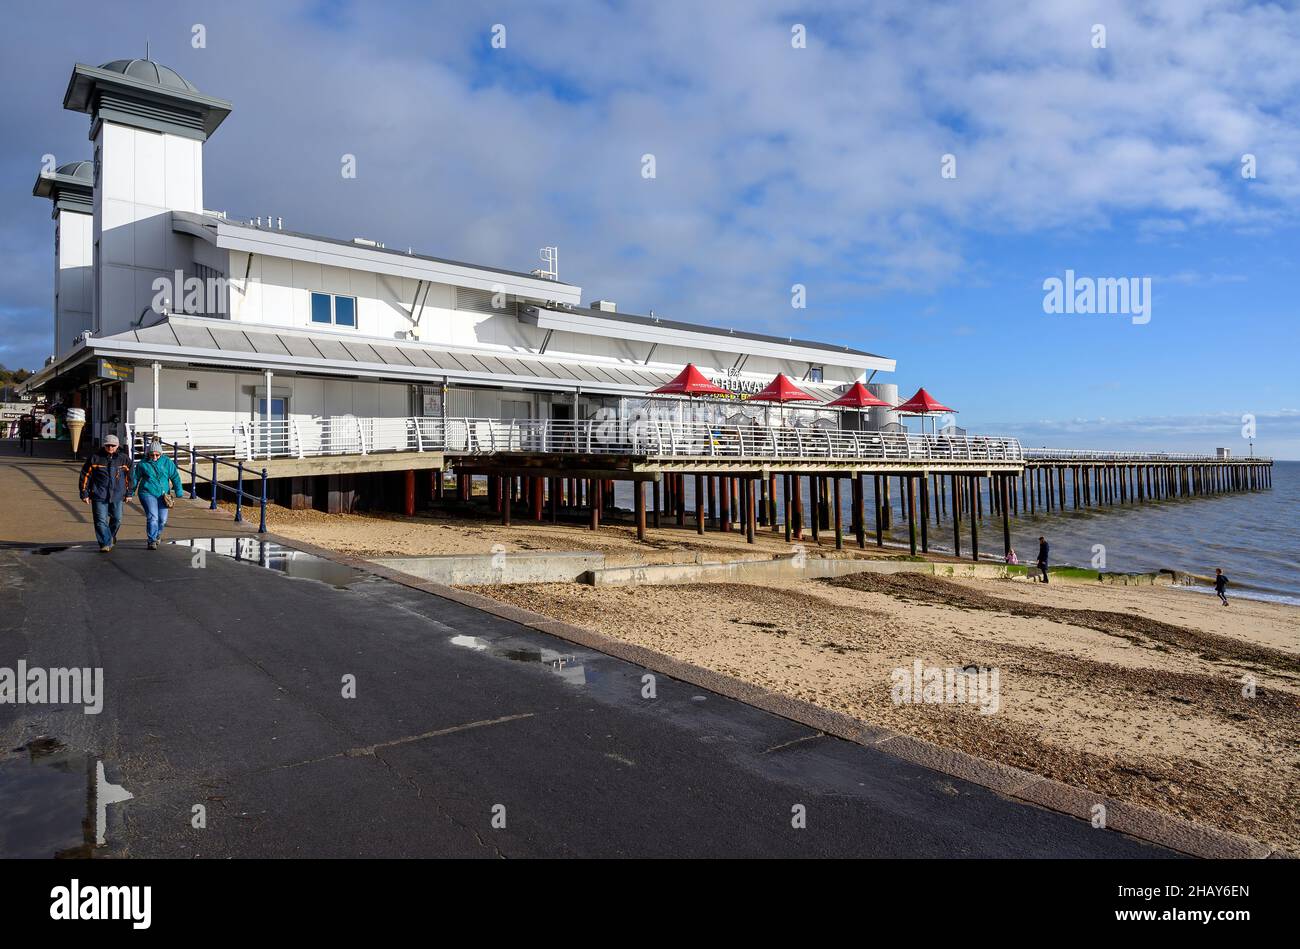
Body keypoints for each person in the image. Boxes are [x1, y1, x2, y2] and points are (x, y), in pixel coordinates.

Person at [79, 434, 133, 552]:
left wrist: (129, 493)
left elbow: (129, 477)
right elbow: (85, 476)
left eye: (113, 446)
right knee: (100, 521)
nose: (110, 448)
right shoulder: (95, 458)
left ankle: (110, 536)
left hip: (118, 495)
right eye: (108, 445)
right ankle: (105, 543)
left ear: (117, 446)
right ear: (104, 445)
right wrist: (84, 493)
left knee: (117, 519)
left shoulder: (124, 459)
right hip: (99, 494)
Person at [133, 440, 185, 549]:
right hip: (147, 492)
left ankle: (157, 535)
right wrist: (130, 492)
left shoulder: (167, 462)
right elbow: (135, 478)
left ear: (161, 454)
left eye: (157, 455)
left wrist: (179, 491)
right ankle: (151, 540)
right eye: (152, 455)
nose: (155, 457)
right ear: (148, 454)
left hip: (163, 495)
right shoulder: (142, 464)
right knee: (153, 516)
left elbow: (175, 476)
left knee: (162, 519)